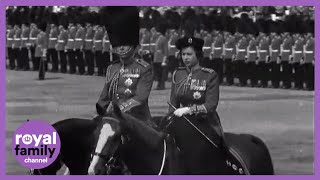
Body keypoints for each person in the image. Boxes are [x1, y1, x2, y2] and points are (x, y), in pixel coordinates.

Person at [168, 36, 224, 173]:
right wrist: (170, 117)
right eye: (183, 54)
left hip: (205, 122)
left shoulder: (210, 75)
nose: (185, 58)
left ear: (198, 55)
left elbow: (211, 105)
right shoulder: (178, 74)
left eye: (189, 54)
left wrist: (189, 110)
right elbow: (173, 102)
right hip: (181, 121)